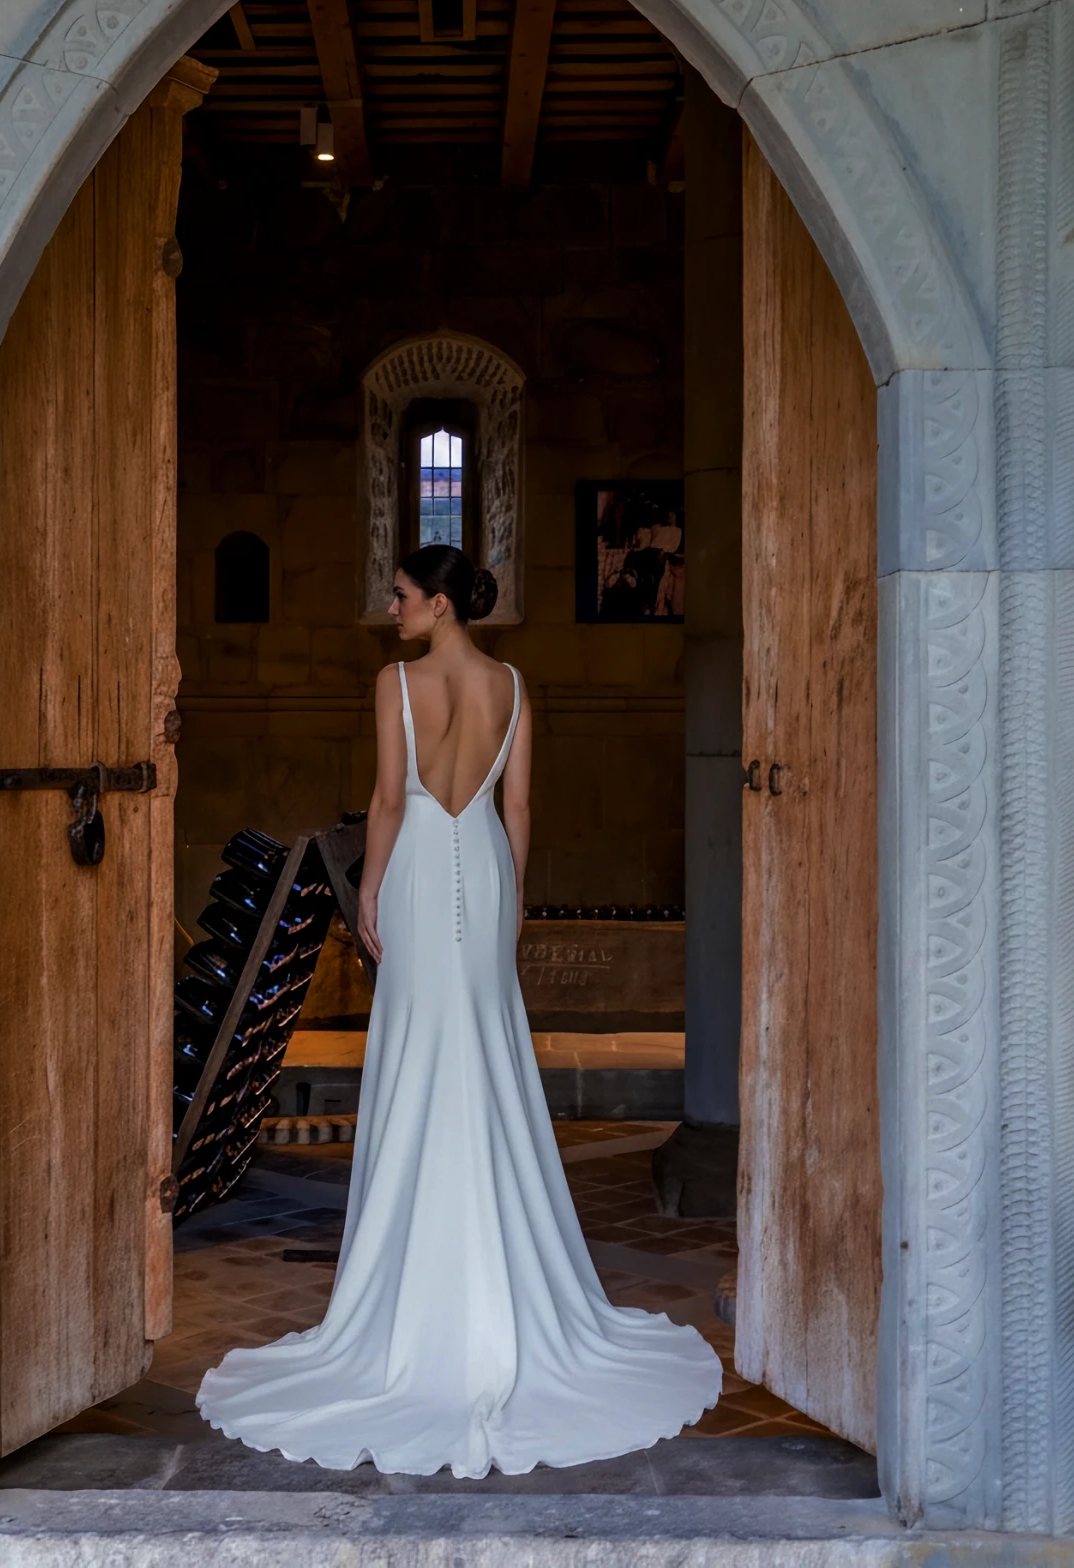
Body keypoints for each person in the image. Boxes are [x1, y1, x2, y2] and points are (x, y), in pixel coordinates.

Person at [197, 543, 721, 1477]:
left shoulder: (393, 683)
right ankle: (505, 1280)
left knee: (416, 1062)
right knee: (485, 1058)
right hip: (482, 875)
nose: (390, 608)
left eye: (400, 596)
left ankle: (409, 1291)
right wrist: (511, 899)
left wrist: (369, 892)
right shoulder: (515, 687)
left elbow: (387, 800)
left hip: (413, 874)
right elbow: (518, 810)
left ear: (439, 604)